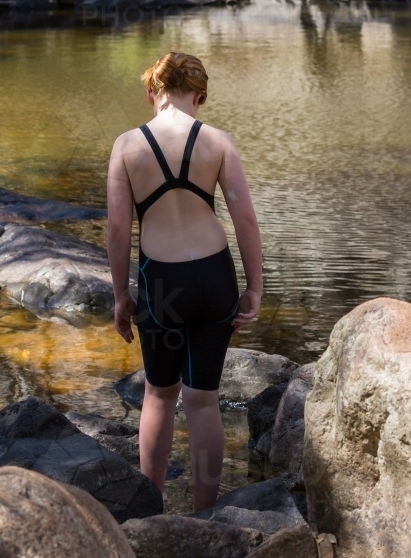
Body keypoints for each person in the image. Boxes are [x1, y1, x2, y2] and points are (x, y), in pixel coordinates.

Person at [107, 51, 263, 512]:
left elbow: (118, 229)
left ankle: (150, 507)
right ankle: (204, 514)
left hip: (164, 284)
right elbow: (246, 220)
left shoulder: (127, 146)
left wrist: (121, 294)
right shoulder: (218, 142)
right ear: (198, 96)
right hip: (215, 276)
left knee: (159, 394)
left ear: (151, 93)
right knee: (203, 399)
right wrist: (255, 286)